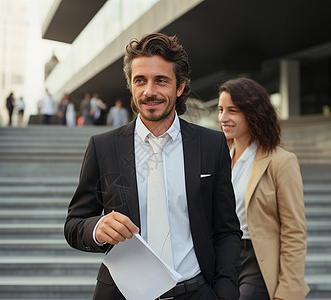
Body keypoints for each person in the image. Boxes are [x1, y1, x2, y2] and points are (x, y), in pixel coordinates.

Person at [64, 32, 241, 300]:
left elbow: (227, 230)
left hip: (196, 292)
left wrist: (226, 292)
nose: (149, 91)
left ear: (179, 86)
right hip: (122, 294)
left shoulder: (212, 144)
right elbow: (74, 225)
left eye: (161, 80)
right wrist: (97, 228)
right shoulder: (103, 147)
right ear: (131, 86)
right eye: (140, 81)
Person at [217, 78, 310, 300]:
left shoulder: (281, 161)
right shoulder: (217, 157)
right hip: (221, 258)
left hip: (257, 260)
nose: (223, 118)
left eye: (232, 110)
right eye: (220, 110)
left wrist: (287, 290)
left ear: (252, 113)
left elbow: (294, 230)